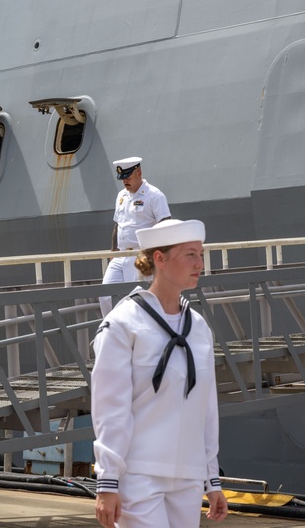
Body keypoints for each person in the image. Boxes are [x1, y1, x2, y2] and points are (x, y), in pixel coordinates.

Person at [91, 219, 228, 528]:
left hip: (188, 476)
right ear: (160, 259)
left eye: (200, 254)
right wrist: (108, 480)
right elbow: (111, 408)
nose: (199, 263)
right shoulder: (123, 324)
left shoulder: (199, 328)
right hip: (139, 474)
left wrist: (212, 478)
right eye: (190, 254)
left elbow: (206, 409)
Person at [99, 157, 171, 317]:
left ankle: (136, 335)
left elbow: (165, 224)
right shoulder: (121, 196)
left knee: (136, 299)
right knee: (105, 295)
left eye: (128, 177)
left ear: (139, 172)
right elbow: (118, 225)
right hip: (120, 255)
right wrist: (113, 252)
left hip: (141, 255)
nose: (125, 181)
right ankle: (112, 332)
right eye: (122, 178)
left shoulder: (154, 196)